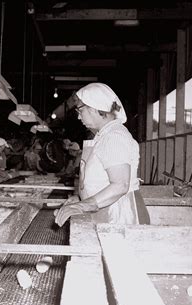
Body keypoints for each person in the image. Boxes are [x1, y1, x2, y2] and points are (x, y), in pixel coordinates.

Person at [55, 82, 150, 226]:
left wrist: (83, 205)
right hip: (108, 210)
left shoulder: (115, 136)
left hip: (120, 215)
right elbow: (101, 180)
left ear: (94, 108)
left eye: (80, 111)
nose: (79, 117)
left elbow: (120, 185)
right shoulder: (104, 136)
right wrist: (82, 198)